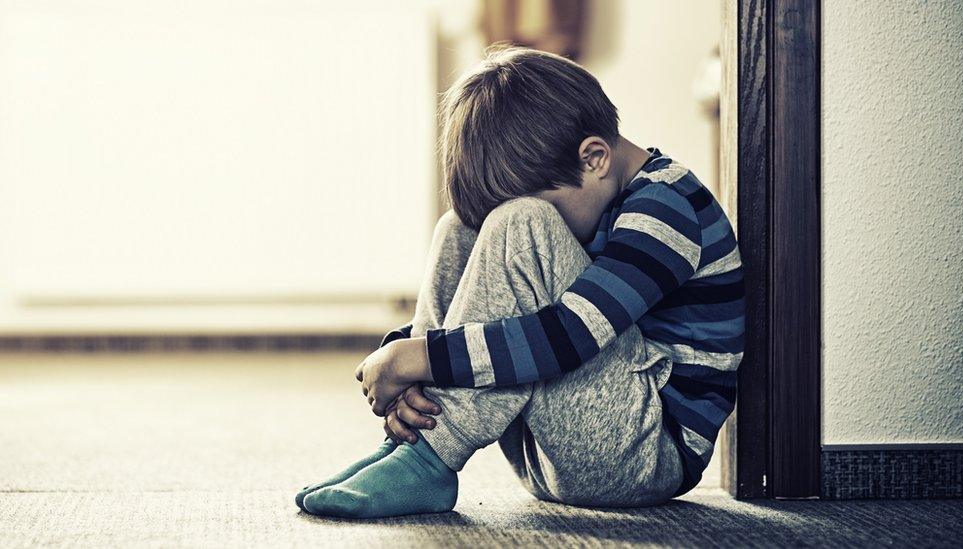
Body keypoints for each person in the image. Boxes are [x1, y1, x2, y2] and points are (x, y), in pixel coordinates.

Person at [296, 46, 744, 519]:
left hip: (643, 454)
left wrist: (418, 356)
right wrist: (415, 359)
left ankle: (430, 459)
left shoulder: (666, 209)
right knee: (460, 226)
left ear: (594, 158)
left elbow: (569, 335)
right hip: (552, 445)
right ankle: (413, 437)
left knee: (521, 222)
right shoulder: (599, 191)